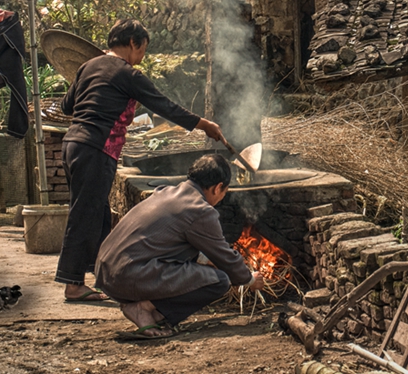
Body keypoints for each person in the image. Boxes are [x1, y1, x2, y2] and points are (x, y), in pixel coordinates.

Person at [56, 18, 225, 302]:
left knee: (97, 215)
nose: (141, 57)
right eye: (142, 49)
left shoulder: (88, 66)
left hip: (72, 145)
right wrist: (203, 124)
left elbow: (66, 106)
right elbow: (164, 105)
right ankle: (72, 283)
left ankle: (101, 278)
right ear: (133, 43)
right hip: (96, 149)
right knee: (84, 214)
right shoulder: (127, 75)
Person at [95, 154, 265, 339]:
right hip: (125, 276)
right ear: (218, 188)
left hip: (106, 271)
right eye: (224, 192)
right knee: (219, 280)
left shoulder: (165, 192)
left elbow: (172, 244)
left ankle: (154, 313)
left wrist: (205, 260)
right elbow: (225, 257)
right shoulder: (200, 210)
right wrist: (248, 279)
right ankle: (145, 309)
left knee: (207, 272)